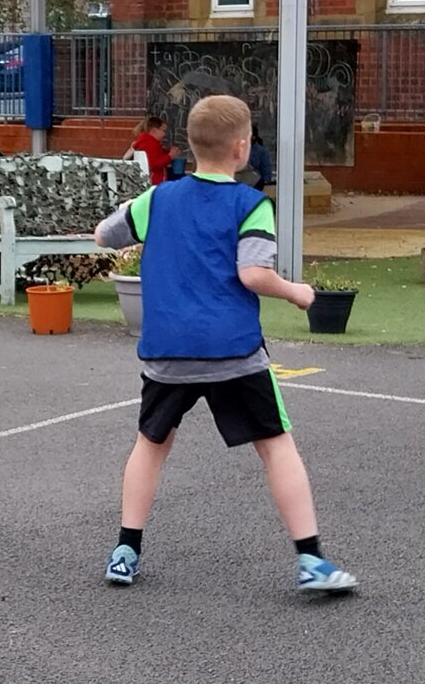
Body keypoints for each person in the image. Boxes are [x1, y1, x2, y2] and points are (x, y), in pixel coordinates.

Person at [94, 93, 358, 595]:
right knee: (277, 445)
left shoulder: (158, 199)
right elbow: (253, 273)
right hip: (232, 351)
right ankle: (312, 560)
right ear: (242, 148)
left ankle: (126, 549)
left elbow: (104, 236)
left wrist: (135, 216)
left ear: (191, 146)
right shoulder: (252, 205)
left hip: (166, 352)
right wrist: (297, 292)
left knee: (151, 444)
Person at [131, 114, 173, 186]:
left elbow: (158, 154)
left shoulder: (150, 143)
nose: (165, 134)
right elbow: (153, 165)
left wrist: (168, 152)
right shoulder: (150, 144)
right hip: (153, 182)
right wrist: (169, 156)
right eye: (164, 131)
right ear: (154, 130)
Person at [243, 124, 276, 191]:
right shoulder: (238, 150)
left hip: (256, 187)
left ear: (253, 137)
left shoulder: (262, 152)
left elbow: (266, 174)